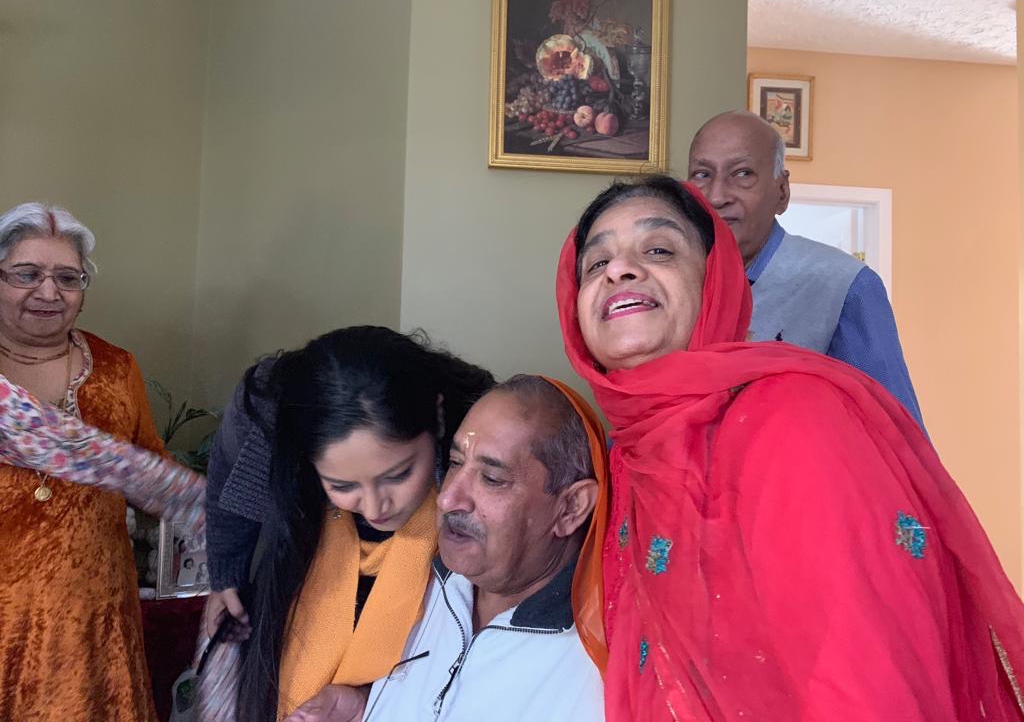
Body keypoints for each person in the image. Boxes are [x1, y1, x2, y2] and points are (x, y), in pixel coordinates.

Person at [557, 175, 1024, 720]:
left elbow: (865, 680)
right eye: (596, 263)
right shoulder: (625, 456)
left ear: (716, 280)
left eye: (658, 249)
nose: (619, 269)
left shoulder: (795, 415)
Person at [209, 327, 494, 721]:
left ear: (439, 417)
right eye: (342, 486)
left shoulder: (483, 429)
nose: (376, 507)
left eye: (398, 474)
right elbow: (228, 482)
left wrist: (368, 698)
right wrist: (225, 573)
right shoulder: (271, 410)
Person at [288, 375, 608, 722]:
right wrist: (364, 707)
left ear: (571, 507)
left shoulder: (594, 671)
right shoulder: (426, 579)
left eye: (492, 479)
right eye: (455, 463)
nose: (448, 498)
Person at [0, 202, 175, 721]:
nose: (49, 292)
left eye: (67, 278)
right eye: (26, 274)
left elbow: (153, 478)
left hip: (93, 622)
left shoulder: (117, 369)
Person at [688, 110, 925, 426]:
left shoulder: (845, 286)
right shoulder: (668, 281)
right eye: (702, 174)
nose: (717, 196)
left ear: (782, 192)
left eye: (742, 174)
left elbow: (894, 428)